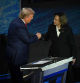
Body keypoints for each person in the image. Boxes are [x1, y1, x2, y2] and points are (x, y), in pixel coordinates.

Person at [6, 8, 41, 83]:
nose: (32, 19)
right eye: (31, 17)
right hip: (17, 57)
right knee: (18, 78)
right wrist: (37, 36)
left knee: (15, 77)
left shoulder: (16, 21)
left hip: (13, 55)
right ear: (26, 16)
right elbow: (27, 40)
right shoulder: (19, 25)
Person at [42, 12, 77, 83]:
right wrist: (40, 37)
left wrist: (74, 57)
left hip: (65, 55)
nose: (54, 21)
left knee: (68, 75)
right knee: (52, 75)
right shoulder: (51, 27)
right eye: (54, 19)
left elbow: (73, 44)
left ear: (61, 21)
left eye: (56, 19)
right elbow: (46, 37)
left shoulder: (68, 29)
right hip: (53, 55)